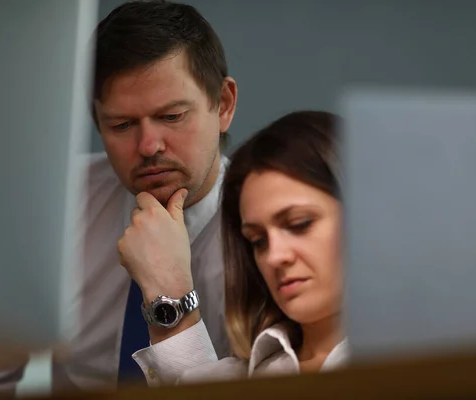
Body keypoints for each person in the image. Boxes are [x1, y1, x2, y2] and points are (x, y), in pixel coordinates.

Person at [0, 1, 238, 397]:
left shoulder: (272, 230)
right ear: (96, 121)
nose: (148, 145)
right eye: (122, 124)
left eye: (172, 116)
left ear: (224, 104)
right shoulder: (52, 206)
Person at [132, 111, 349, 384]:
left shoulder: (413, 362)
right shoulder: (231, 380)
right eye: (258, 240)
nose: (274, 256)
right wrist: (167, 284)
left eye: (299, 224)